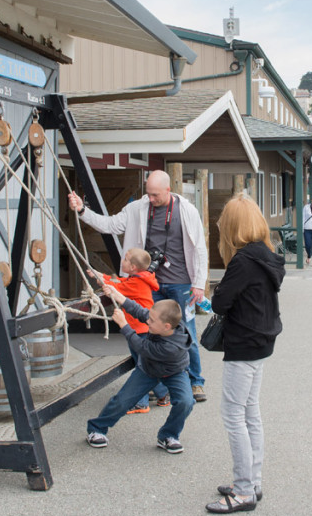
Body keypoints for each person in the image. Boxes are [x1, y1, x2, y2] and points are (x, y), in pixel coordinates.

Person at [68, 170, 210, 403]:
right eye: (148, 194)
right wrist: (82, 211)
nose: (151, 199)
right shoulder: (138, 208)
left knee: (186, 332)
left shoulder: (186, 210)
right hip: (147, 284)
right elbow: (110, 225)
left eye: (155, 195)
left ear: (168, 190)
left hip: (180, 282)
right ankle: (160, 384)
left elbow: (200, 248)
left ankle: (195, 382)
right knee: (151, 333)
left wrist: (199, 283)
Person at [205, 194, 285, 514]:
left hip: (243, 343)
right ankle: (254, 480)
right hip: (262, 341)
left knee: (234, 414)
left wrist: (219, 289)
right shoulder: (266, 254)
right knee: (250, 411)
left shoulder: (241, 261)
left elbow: (220, 302)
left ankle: (242, 491)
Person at [86, 291, 194, 454]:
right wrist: (119, 296)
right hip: (150, 368)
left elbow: (142, 347)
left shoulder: (172, 347)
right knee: (122, 401)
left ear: (166, 327)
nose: (147, 322)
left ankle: (168, 435)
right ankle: (97, 429)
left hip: (174, 372)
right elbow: (140, 311)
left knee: (186, 401)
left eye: (151, 321)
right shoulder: (164, 323)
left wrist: (124, 325)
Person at [87, 248, 161, 413]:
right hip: (143, 328)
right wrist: (101, 276)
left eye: (126, 259)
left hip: (139, 329)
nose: (123, 261)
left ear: (133, 267)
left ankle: (141, 402)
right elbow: (120, 283)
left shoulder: (136, 282)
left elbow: (117, 287)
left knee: (141, 366)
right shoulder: (139, 278)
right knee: (148, 363)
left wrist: (103, 280)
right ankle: (163, 394)